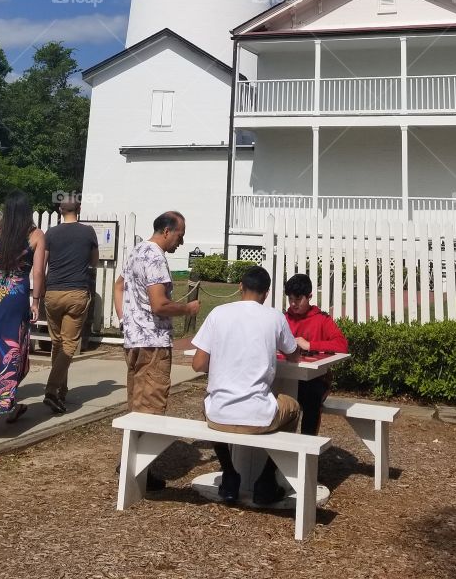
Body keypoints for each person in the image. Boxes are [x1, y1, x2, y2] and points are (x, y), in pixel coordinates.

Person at [191, 265, 301, 506]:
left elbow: (198, 364)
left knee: (208, 402)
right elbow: (293, 354)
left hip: (218, 415)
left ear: (240, 286)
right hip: (259, 416)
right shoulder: (275, 317)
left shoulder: (218, 313)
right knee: (293, 409)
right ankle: (266, 480)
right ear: (267, 293)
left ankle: (229, 473)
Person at [113, 210, 199, 490]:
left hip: (134, 341)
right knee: (151, 406)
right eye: (180, 235)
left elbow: (119, 286)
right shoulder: (156, 257)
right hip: (153, 342)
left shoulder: (136, 251)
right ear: (167, 231)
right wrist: (187, 308)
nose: (181, 242)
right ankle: (139, 471)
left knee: (136, 403)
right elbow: (159, 304)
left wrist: (125, 320)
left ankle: (130, 460)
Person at [0, 190, 45, 440]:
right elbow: (38, 273)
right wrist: (36, 301)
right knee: (12, 351)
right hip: (15, 296)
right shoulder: (36, 235)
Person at [42, 195, 100, 413]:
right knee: (69, 344)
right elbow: (94, 261)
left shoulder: (51, 233)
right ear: (79, 209)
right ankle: (52, 389)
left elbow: (43, 262)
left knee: (57, 343)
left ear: (60, 210)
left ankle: (61, 392)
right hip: (77, 291)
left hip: (53, 291)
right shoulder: (88, 232)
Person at [283, 272, 349, 435]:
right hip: (287, 377)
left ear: (310, 296)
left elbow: (342, 345)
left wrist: (310, 345)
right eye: (290, 299)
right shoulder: (283, 318)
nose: (293, 303)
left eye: (298, 299)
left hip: (316, 380)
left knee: (311, 397)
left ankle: (307, 444)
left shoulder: (322, 319)